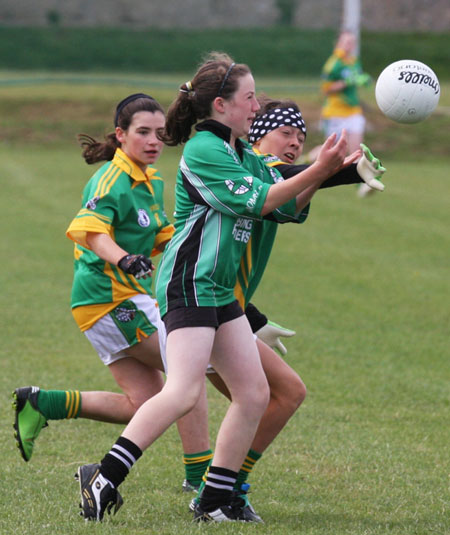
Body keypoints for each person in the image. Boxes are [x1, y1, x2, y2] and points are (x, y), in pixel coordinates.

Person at [73, 51, 358, 524]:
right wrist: (322, 169)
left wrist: (337, 172)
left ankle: (212, 501)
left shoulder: (240, 151)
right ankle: (102, 477)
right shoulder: (204, 150)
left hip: (219, 292)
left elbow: (282, 206)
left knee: (253, 393)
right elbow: (261, 199)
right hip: (188, 285)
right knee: (184, 390)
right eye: (248, 99)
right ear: (221, 106)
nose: (255, 108)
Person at [316, 30, 374, 197]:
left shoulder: (353, 61)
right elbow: (326, 88)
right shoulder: (333, 63)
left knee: (357, 149)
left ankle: (361, 185)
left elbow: (357, 78)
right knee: (334, 154)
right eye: (346, 42)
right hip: (335, 112)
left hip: (353, 110)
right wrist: (345, 82)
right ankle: (307, 160)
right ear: (339, 43)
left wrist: (364, 80)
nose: (349, 45)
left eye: (352, 42)